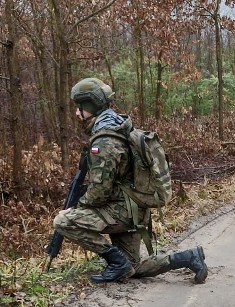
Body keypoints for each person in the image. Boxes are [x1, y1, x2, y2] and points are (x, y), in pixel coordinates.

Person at [53, 77, 208, 284]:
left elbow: (99, 192)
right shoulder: (120, 126)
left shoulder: (105, 140)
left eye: (79, 107)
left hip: (123, 212)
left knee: (63, 222)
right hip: (134, 210)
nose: (76, 112)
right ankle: (189, 257)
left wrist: (74, 209)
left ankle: (116, 262)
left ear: (90, 105)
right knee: (133, 268)